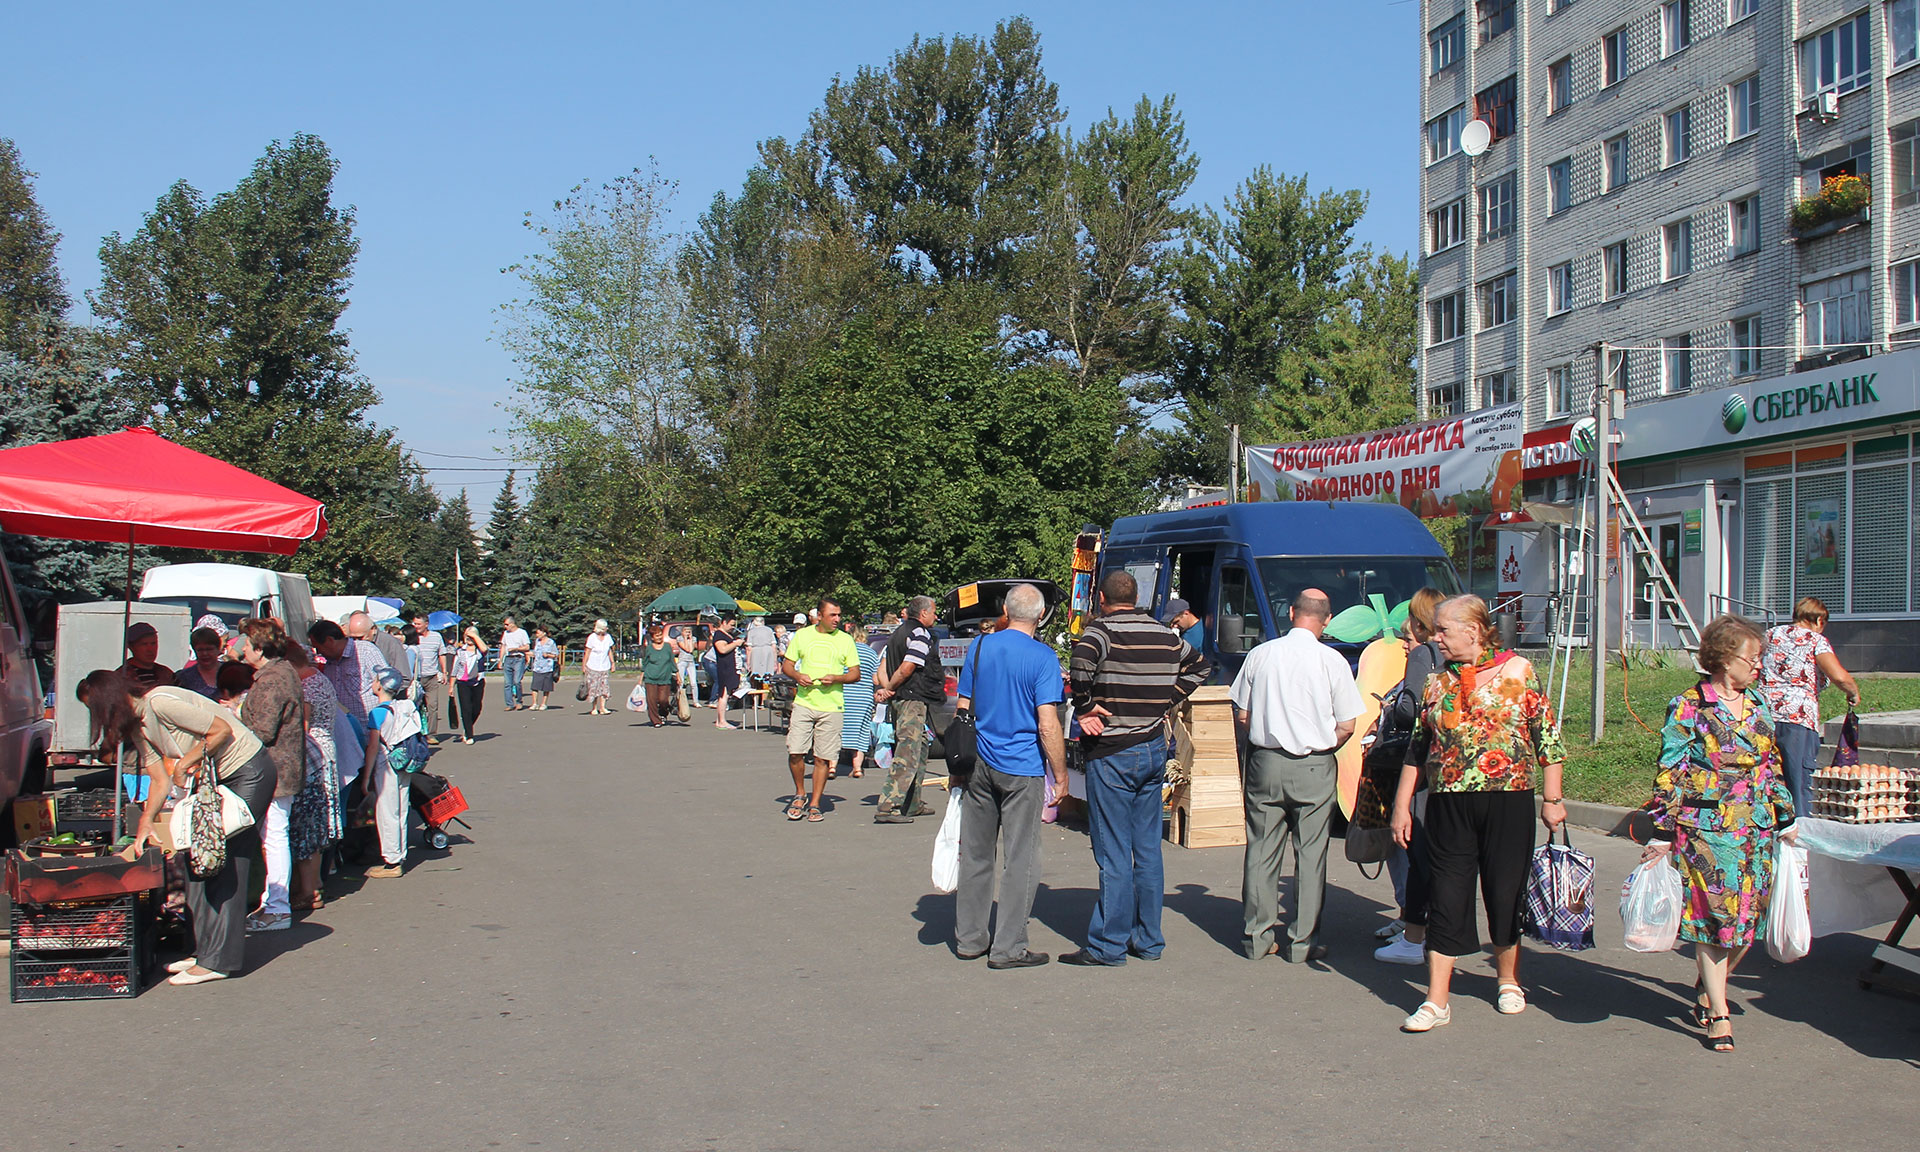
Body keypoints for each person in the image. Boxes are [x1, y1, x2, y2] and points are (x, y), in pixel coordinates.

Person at [1392, 594, 1566, 1033]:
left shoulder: (1517, 671)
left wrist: (1552, 799)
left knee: (1505, 892)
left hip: (1508, 800)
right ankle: (1436, 1000)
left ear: (1472, 631)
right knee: (1445, 894)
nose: (1436, 638)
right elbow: (1418, 748)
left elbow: (1546, 737)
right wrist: (1401, 805)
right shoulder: (1437, 682)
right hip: (1449, 803)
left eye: (1443, 630)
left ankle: (1508, 980)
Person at [1647, 614, 1800, 1053]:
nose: (1759, 665)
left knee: (1747, 924)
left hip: (1756, 828)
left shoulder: (1759, 703)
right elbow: (1671, 768)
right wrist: (1661, 831)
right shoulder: (1689, 705)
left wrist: (1785, 817)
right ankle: (1719, 1012)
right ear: (1723, 658)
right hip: (1707, 831)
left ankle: (1709, 983)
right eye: (1752, 658)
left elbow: (1771, 763)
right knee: (1714, 922)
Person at [79, 670, 273, 986]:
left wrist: (185, 763)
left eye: (94, 708)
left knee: (221, 861)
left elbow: (220, 730)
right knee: (194, 862)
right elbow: (158, 779)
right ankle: (203, 952)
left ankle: (219, 961)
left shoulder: (159, 702)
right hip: (217, 781)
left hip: (248, 772)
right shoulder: (139, 725)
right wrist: (145, 823)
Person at [1059, 570, 1210, 967]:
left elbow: (1079, 667)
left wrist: (1085, 707)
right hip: (1152, 747)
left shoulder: (1100, 633)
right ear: (1137, 597)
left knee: (1112, 850)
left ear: (1102, 599)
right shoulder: (1165, 635)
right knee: (1147, 849)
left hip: (1113, 751)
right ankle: (1148, 939)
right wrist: (1165, 700)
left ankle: (1108, 945)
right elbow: (1201, 668)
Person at [1231, 588, 1363, 964]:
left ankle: (1257, 937)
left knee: (1261, 849)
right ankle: (1302, 942)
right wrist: (1321, 742)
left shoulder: (1261, 654)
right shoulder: (1332, 660)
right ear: (1328, 620)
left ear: (1291, 613)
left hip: (1266, 761)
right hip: (1314, 764)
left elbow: (1243, 714)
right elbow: (1347, 724)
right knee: (1311, 854)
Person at [954, 583, 1069, 969]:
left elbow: (964, 705)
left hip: (979, 761)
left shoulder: (980, 646)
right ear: (1041, 616)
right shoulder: (1043, 657)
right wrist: (1061, 774)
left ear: (1005, 610)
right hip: (1022, 767)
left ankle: (970, 939)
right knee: (1021, 858)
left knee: (976, 853)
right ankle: (1008, 947)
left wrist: (958, 765)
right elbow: (1047, 724)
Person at [1376, 586, 1446, 966]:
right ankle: (1433, 927)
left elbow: (1412, 711)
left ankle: (1414, 933)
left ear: (1420, 624)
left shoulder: (1423, 654)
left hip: (1420, 764)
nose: (1406, 644)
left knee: (1415, 848)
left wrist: (1393, 707)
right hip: (1453, 766)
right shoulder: (1458, 656)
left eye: (1408, 634)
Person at [1760, 596, 1861, 821]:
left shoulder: (1770, 635)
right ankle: (1800, 828)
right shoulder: (1815, 640)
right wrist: (1853, 692)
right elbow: (1839, 676)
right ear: (1818, 620)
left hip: (1763, 716)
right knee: (1798, 780)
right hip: (1797, 719)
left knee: (1768, 777)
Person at [235, 619, 306, 933]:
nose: (242, 649)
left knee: (274, 837)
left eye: (246, 644)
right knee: (274, 837)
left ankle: (277, 909)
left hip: (274, 770)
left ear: (260, 649)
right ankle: (273, 904)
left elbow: (262, 730)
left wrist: (234, 718)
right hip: (281, 767)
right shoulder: (282, 671)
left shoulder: (272, 679)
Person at [779, 597, 862, 823]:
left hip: (832, 706)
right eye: (832, 615)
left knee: (822, 757)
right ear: (820, 616)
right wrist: (798, 676)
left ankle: (815, 803)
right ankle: (800, 793)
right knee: (795, 751)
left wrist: (837, 678)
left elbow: (855, 673)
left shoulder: (845, 640)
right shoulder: (803, 636)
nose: (837, 619)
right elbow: (787, 665)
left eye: (839, 615)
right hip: (804, 702)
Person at [874, 595, 944, 823]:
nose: (936, 616)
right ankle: (889, 806)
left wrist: (887, 690)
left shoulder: (897, 633)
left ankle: (912, 803)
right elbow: (907, 668)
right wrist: (890, 688)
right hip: (912, 700)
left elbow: (882, 668)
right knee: (908, 752)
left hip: (901, 700)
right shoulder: (920, 634)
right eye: (933, 612)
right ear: (923, 613)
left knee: (920, 749)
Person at [284, 642, 342, 912]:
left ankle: (308, 889)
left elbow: (302, 729)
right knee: (319, 824)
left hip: (312, 756)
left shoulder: (305, 688)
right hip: (325, 749)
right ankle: (316, 882)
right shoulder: (319, 678)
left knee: (307, 825)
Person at [363, 666, 425, 878]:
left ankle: (392, 861)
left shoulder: (377, 713)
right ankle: (400, 853)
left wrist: (366, 777)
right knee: (401, 809)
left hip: (386, 764)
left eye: (374, 680)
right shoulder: (406, 707)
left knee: (386, 811)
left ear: (380, 686)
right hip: (404, 761)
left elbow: (373, 747)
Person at [308, 619, 388, 725]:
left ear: (329, 641)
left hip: (372, 726)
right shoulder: (330, 664)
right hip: (346, 727)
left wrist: (379, 722)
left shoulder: (365, 651)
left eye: (318, 647)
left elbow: (387, 684)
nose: (319, 653)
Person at [840, 620, 881, 777]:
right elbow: (876, 679)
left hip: (844, 695)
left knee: (837, 731)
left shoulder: (845, 651)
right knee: (861, 732)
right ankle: (857, 768)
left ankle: (832, 767)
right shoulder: (871, 653)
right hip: (864, 697)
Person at [346, 611, 409, 697]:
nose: (356, 642)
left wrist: (385, 694)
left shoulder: (390, 643)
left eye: (360, 638)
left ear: (373, 629)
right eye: (353, 638)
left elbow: (405, 678)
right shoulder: (352, 646)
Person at [411, 613, 448, 745]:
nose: (415, 626)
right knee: (414, 707)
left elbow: (441, 654)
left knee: (432, 706)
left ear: (426, 624)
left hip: (431, 677)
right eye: (414, 623)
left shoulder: (436, 637)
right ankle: (416, 734)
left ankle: (431, 734)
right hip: (416, 678)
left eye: (418, 624)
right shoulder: (412, 637)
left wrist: (444, 672)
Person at [448, 626, 486, 743]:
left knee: (477, 708)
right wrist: (451, 687)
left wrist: (473, 635)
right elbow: (455, 670)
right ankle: (469, 735)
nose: (469, 638)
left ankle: (467, 726)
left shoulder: (479, 651)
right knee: (466, 708)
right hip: (463, 682)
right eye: (467, 636)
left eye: (471, 636)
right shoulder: (460, 651)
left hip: (478, 681)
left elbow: (484, 649)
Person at [640, 621, 678, 726]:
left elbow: (672, 661)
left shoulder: (667, 647)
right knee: (651, 701)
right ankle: (656, 720)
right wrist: (641, 678)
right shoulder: (649, 648)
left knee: (663, 700)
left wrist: (677, 674)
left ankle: (663, 713)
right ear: (652, 638)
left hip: (665, 677)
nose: (659, 637)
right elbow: (645, 663)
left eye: (660, 635)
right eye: (657, 636)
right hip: (650, 677)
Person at [173, 627, 226, 700]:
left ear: (218, 649)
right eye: (200, 650)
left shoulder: (232, 671)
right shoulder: (183, 677)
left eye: (209, 649)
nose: (205, 653)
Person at [709, 617, 742, 729]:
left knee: (725, 694)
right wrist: (736, 643)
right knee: (724, 694)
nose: (733, 627)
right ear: (724, 622)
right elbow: (722, 649)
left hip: (731, 667)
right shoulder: (719, 635)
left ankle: (721, 720)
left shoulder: (727, 635)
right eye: (731, 624)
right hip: (725, 668)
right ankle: (721, 721)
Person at [120, 621, 174, 689]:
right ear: (131, 647)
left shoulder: (166, 673)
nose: (150, 649)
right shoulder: (122, 676)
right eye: (144, 644)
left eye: (153, 643)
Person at [582, 619, 616, 715]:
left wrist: (612, 663)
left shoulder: (608, 637)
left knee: (604, 687)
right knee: (594, 687)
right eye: (605, 627)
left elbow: (609, 651)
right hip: (593, 666)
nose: (607, 629)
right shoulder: (592, 637)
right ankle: (594, 708)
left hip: (604, 666)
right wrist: (584, 665)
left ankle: (603, 707)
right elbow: (587, 652)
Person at [500, 615, 531, 711]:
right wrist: (500, 660)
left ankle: (519, 701)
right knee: (507, 683)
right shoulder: (506, 633)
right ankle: (509, 704)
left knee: (517, 681)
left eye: (507, 624)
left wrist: (516, 649)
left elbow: (527, 647)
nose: (505, 626)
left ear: (512, 624)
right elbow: (503, 646)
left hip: (518, 658)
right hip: (508, 659)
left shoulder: (522, 633)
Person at [529, 625, 561, 710]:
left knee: (546, 687)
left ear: (544, 633)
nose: (537, 635)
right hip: (537, 667)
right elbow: (535, 652)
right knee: (534, 686)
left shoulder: (550, 642)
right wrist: (531, 654)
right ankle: (534, 703)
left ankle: (544, 704)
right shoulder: (537, 641)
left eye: (538, 633)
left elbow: (556, 655)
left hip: (547, 667)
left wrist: (548, 655)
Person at [745, 615, 779, 687]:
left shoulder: (751, 631)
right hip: (768, 651)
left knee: (755, 673)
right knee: (768, 673)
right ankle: (767, 689)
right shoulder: (769, 630)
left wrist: (748, 662)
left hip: (755, 652)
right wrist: (775, 660)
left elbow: (749, 648)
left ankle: (756, 689)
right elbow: (774, 646)